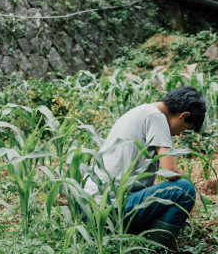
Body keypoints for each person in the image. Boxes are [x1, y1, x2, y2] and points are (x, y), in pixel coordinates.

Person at [83, 86, 205, 248]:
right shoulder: (157, 117)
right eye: (186, 128)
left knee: (166, 193)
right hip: (107, 210)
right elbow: (169, 171)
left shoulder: (139, 111)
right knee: (184, 189)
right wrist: (190, 190)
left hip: (88, 208)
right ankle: (156, 249)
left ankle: (135, 235)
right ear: (184, 115)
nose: (179, 134)